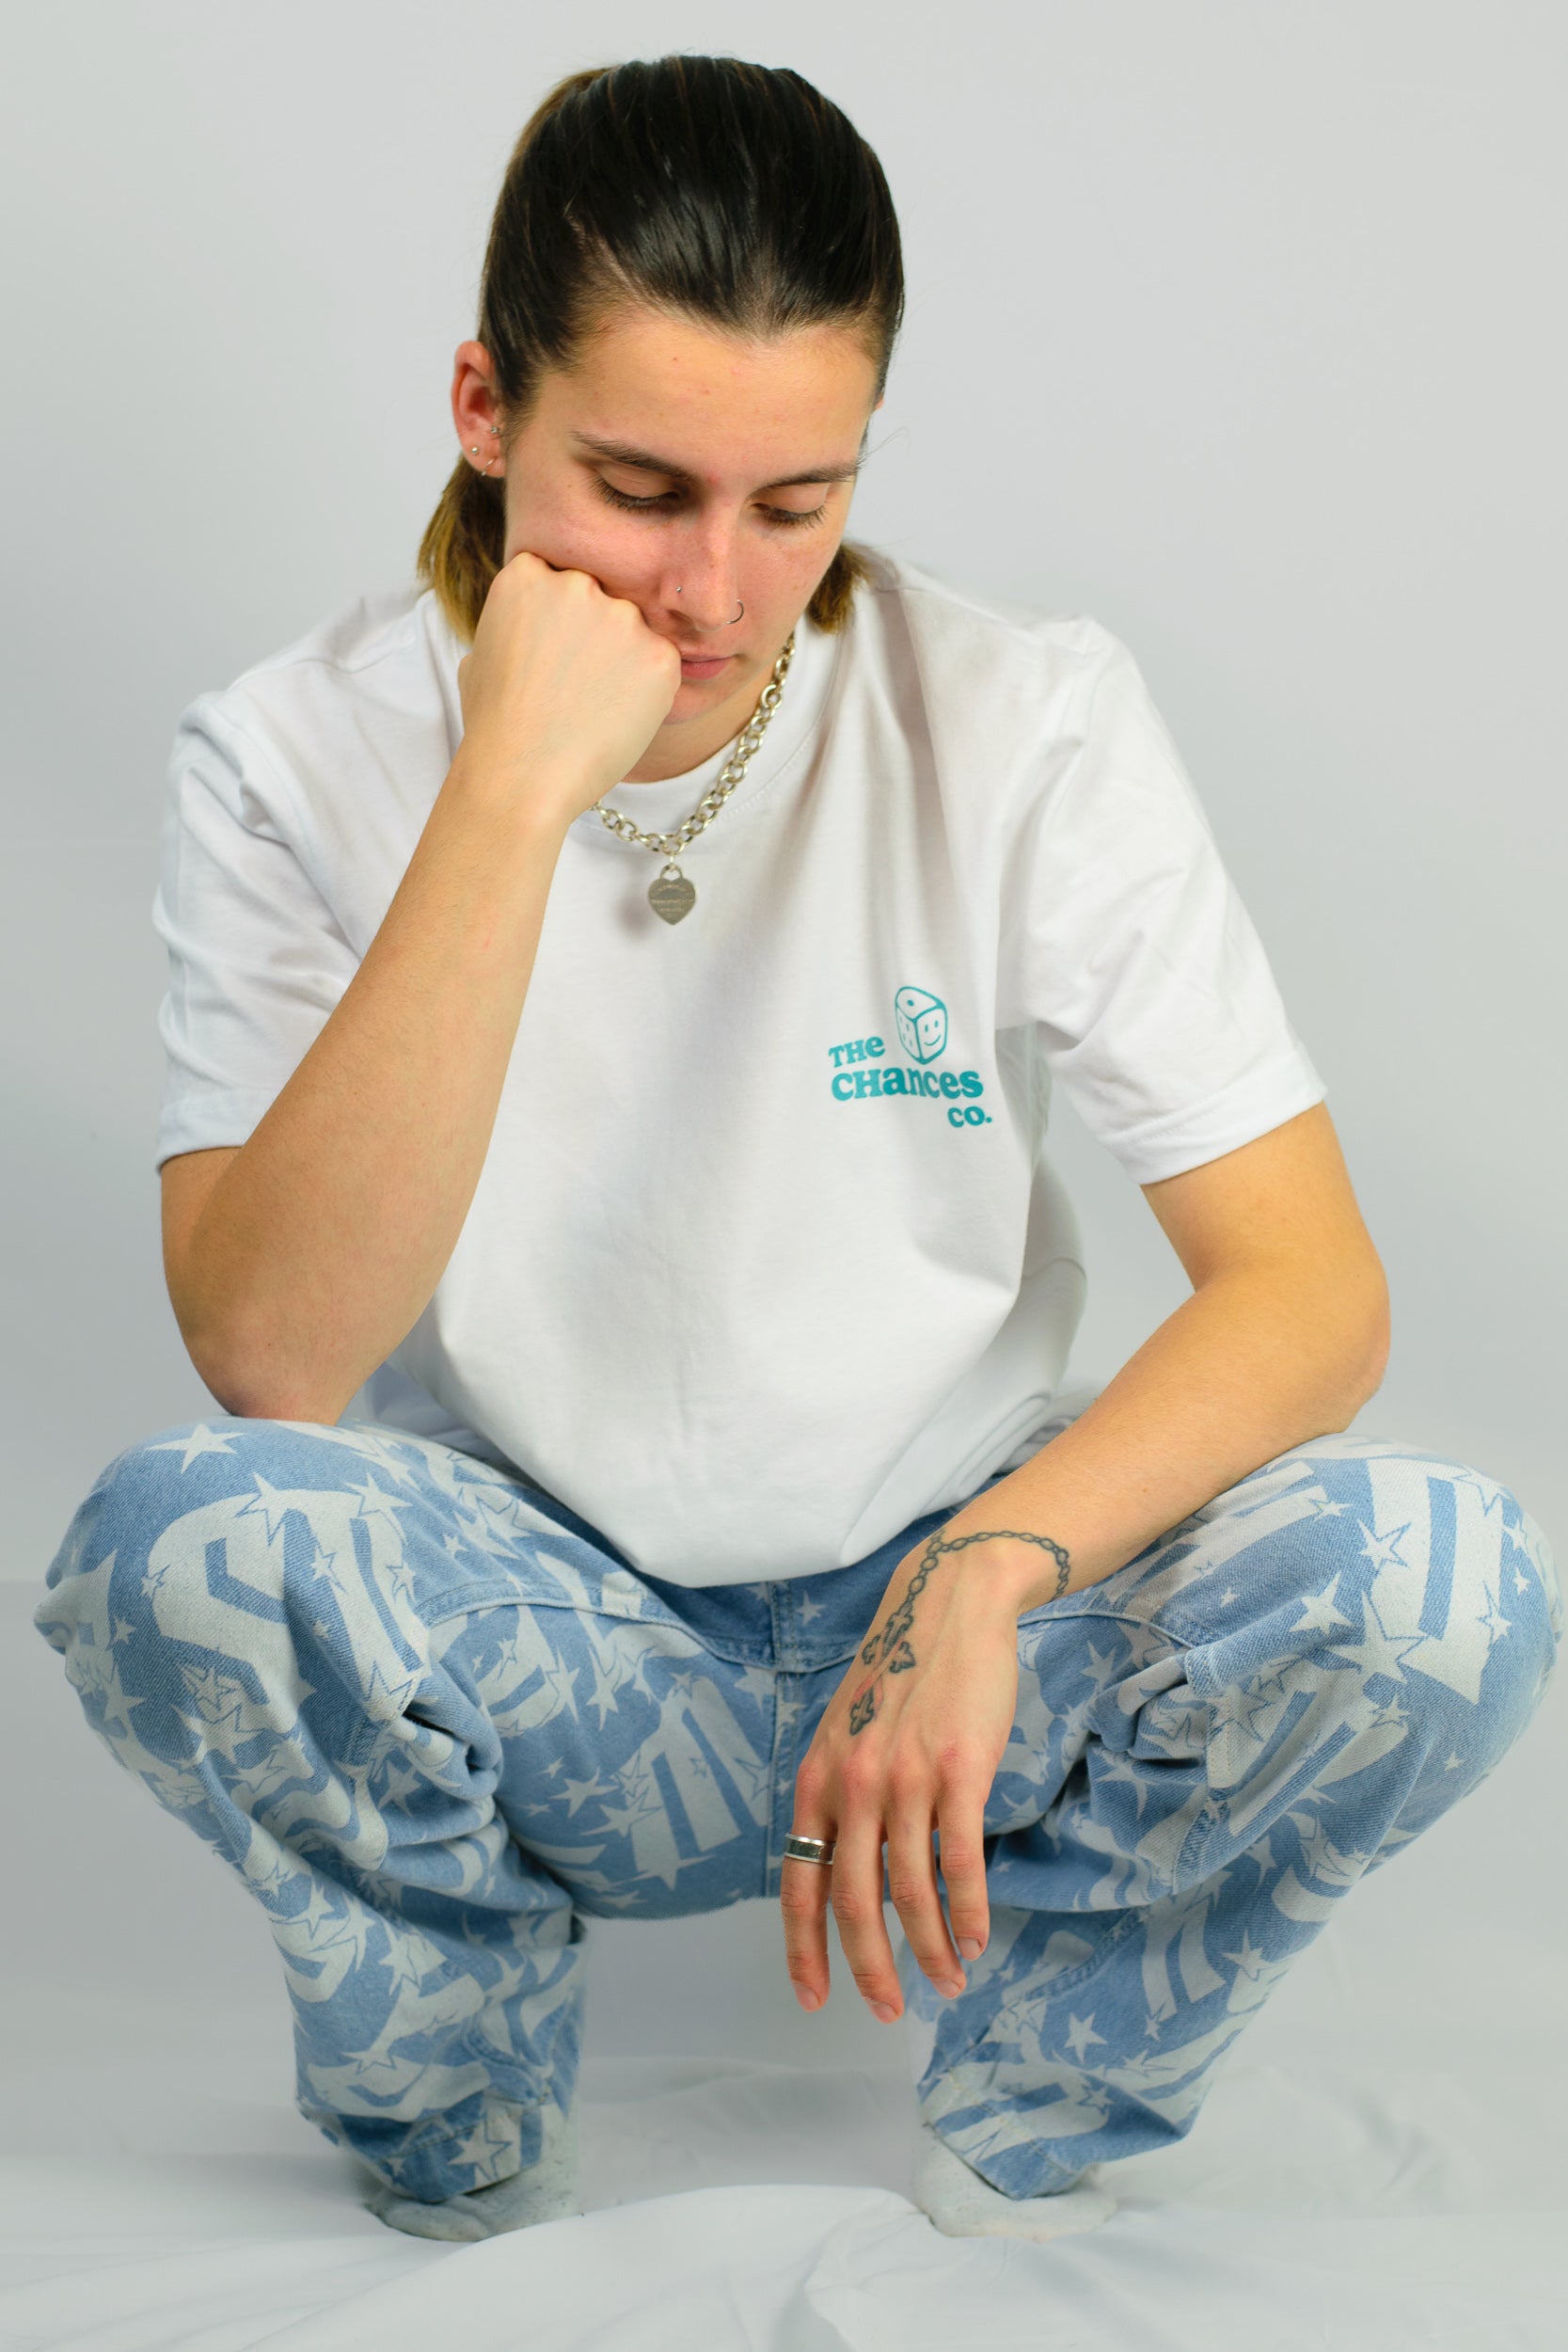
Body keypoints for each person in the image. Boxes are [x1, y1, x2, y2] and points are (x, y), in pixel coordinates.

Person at [34, 55, 1560, 2249]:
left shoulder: (1021, 713)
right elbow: (271, 1353)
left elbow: (1313, 1290)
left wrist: (993, 1565)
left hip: (960, 1631)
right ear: (484, 406)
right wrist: (510, 793)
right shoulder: (288, 754)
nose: (713, 589)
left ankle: (1039, 2098)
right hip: (548, 1634)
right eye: (640, 486)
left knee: (1442, 1577)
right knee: (177, 1542)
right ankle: (464, 2091)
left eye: (796, 499)